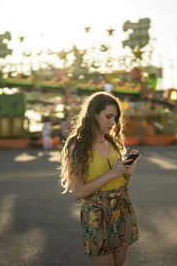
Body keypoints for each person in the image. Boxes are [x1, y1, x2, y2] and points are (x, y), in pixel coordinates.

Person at [60, 92, 140, 266]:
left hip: (121, 208)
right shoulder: (78, 146)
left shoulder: (113, 142)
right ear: (94, 115)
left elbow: (121, 183)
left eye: (115, 118)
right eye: (108, 117)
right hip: (96, 213)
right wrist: (112, 173)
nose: (113, 123)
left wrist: (127, 174)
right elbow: (79, 192)